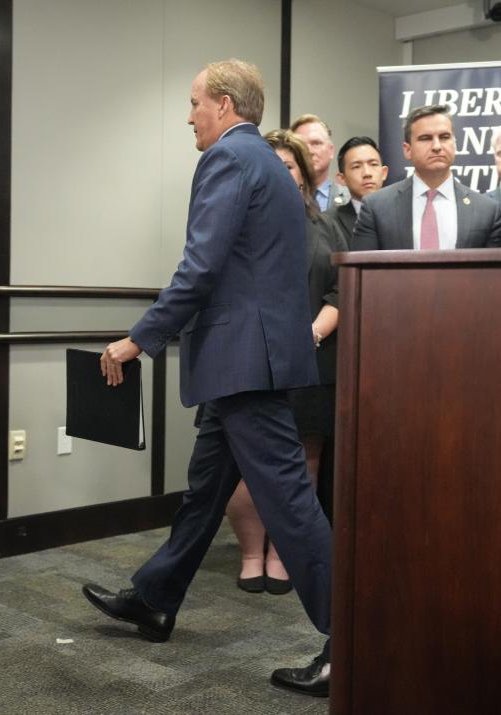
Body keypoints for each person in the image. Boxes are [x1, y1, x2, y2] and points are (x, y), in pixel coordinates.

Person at [80, 59, 332, 698]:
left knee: (290, 503)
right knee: (204, 491)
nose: (189, 116)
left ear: (223, 104)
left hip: (242, 362)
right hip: (254, 358)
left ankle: (354, 639)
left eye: (194, 103)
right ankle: (155, 598)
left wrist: (140, 338)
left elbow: (201, 267)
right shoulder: (273, 166)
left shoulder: (226, 159)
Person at [226, 129, 347, 596]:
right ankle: (251, 552)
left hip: (314, 358)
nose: (282, 173)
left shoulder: (330, 225)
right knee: (249, 471)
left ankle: (283, 554)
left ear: (302, 172)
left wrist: (311, 333)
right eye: (272, 166)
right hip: (252, 362)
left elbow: (340, 292)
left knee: (304, 466)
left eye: (290, 165)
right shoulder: (243, 222)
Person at [352, 105, 501, 251]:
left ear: (455, 144)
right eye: (425, 138)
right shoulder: (376, 207)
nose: (437, 146)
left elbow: (494, 275)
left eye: (444, 137)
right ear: (407, 150)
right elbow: (364, 272)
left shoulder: (487, 211)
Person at [327, 136, 388, 245]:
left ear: (384, 173)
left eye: (373, 164)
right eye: (356, 167)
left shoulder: (404, 215)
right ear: (342, 179)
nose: (367, 173)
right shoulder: (328, 222)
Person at [291, 113, 350, 211]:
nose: (309, 151)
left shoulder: (350, 198)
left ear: (331, 150)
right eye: (301, 144)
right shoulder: (281, 197)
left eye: (316, 143)